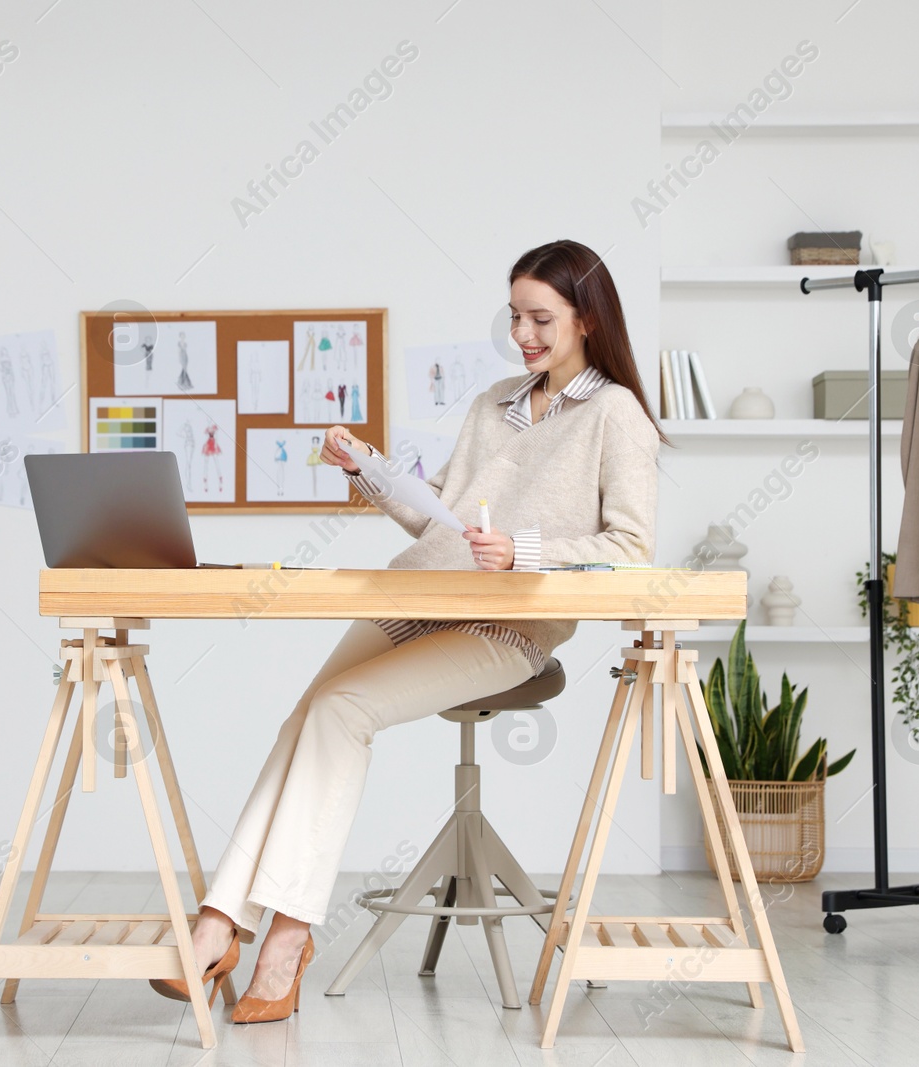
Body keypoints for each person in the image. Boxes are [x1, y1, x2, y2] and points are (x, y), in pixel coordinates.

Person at [148, 239, 663, 1022]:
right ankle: (221, 924)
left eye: (540, 318)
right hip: (416, 590)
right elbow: (442, 515)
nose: (523, 333)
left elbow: (631, 550)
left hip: (505, 627)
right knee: (307, 716)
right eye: (515, 315)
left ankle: (279, 938)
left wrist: (523, 551)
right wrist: (367, 469)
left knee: (338, 711)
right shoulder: (494, 403)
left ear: (587, 319)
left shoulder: (615, 413)